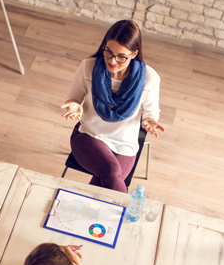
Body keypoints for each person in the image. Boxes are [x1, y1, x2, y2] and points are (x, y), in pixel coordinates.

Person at [61, 19, 163, 193]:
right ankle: (124, 215)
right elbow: (73, 97)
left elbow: (150, 112)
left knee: (108, 179)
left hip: (125, 146)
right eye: (108, 52)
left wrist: (150, 120)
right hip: (88, 136)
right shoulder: (89, 67)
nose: (113, 61)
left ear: (134, 54)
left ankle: (85, 215)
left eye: (121, 57)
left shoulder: (149, 78)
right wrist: (75, 105)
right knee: (112, 172)